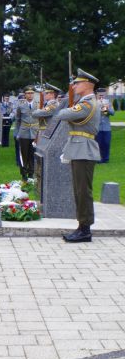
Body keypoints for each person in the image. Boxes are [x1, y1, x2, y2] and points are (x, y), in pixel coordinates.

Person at [58, 69, 101, 243]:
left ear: (87, 85)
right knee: (79, 190)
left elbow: (63, 114)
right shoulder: (84, 102)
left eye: (77, 83)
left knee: (83, 191)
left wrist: (66, 106)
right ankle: (82, 227)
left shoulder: (87, 104)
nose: (74, 86)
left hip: (84, 150)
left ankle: (85, 230)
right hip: (79, 149)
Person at [15, 86, 39, 180]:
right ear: (25, 95)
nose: (30, 95)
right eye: (28, 93)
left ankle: (31, 174)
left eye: (32, 93)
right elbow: (18, 120)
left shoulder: (38, 105)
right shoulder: (21, 106)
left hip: (35, 133)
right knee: (24, 154)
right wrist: (17, 133)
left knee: (33, 154)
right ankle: (24, 174)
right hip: (24, 132)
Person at [96, 88, 115, 163]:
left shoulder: (108, 103)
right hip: (97, 127)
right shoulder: (94, 103)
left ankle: (106, 158)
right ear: (97, 95)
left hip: (107, 128)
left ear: (105, 95)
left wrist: (105, 108)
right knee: (98, 143)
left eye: (103, 95)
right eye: (100, 95)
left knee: (106, 143)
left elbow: (112, 113)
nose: (101, 96)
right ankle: (99, 158)